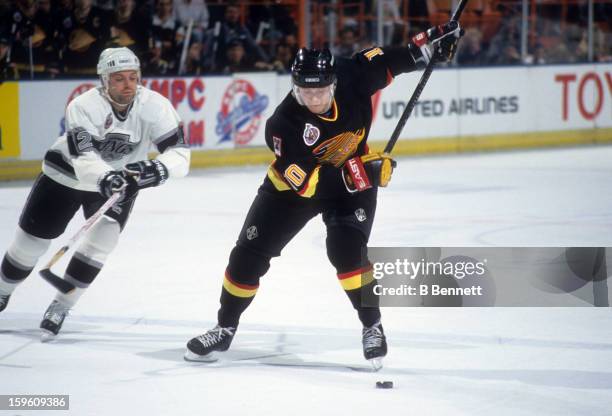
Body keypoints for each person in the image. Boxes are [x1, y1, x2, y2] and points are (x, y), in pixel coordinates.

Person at [185, 22, 462, 368]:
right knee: (247, 257)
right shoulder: (283, 124)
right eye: (305, 92)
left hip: (353, 186)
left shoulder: (354, 73)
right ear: (295, 88)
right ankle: (224, 328)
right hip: (295, 190)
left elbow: (397, 59)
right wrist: (365, 172)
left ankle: (372, 325)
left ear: (334, 82)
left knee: (347, 254)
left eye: (320, 91)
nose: (313, 99)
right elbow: (311, 186)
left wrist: (430, 48)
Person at [0, 47, 190, 340]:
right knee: (30, 246)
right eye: (119, 79)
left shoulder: (155, 105)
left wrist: (158, 170)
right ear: (104, 80)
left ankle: (62, 305)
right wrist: (105, 177)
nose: (128, 84)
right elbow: (84, 159)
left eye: (133, 77)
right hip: (65, 177)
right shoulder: (83, 106)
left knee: (102, 242)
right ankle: (2, 291)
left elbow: (179, 154)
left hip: (117, 184)